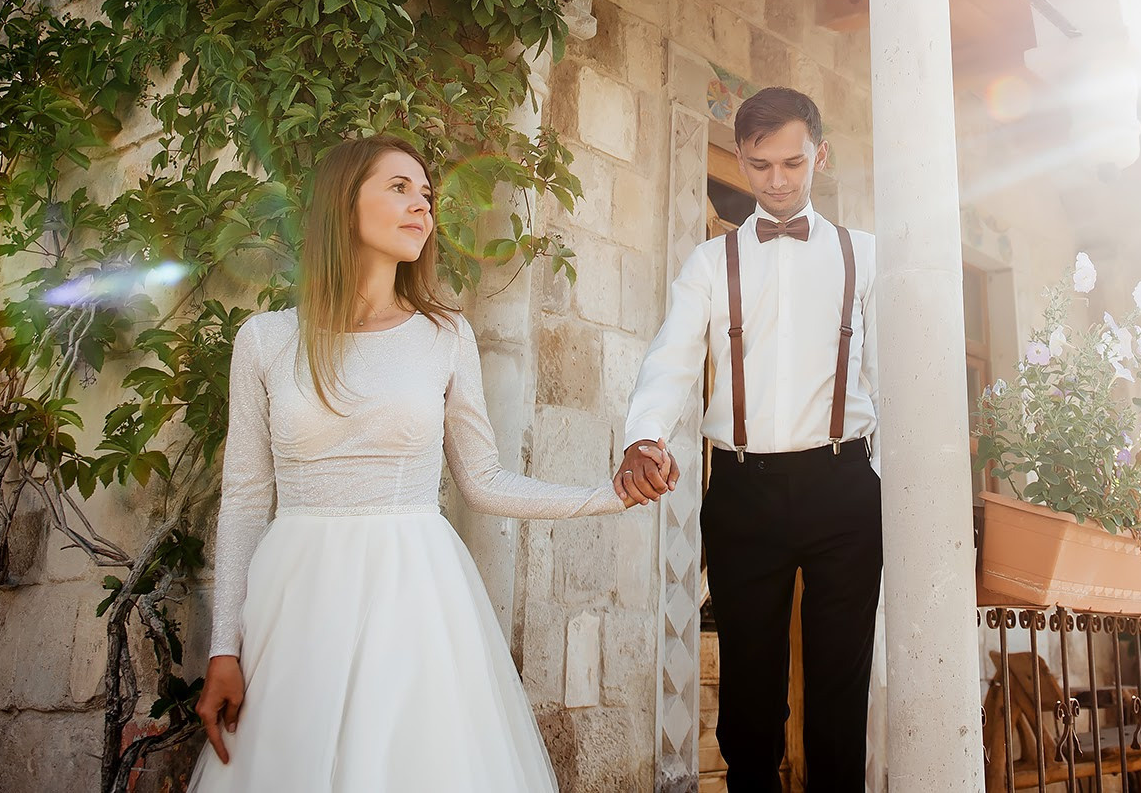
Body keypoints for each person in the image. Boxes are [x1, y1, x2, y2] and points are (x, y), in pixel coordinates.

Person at [190, 134, 626, 791]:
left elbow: (481, 480)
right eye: (399, 187)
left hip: (414, 597)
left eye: (426, 193)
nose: (421, 205)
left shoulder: (445, 334)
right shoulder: (265, 340)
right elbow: (247, 502)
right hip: (296, 601)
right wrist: (224, 648)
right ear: (344, 202)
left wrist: (606, 493)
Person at [614, 87, 882, 793]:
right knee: (749, 703)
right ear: (741, 158)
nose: (778, 179)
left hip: (845, 488)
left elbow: (888, 379)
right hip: (744, 490)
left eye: (793, 161)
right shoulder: (710, 262)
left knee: (838, 694)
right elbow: (672, 358)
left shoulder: (867, 257)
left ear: (820, 154)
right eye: (761, 164)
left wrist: (883, 475)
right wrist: (644, 435)